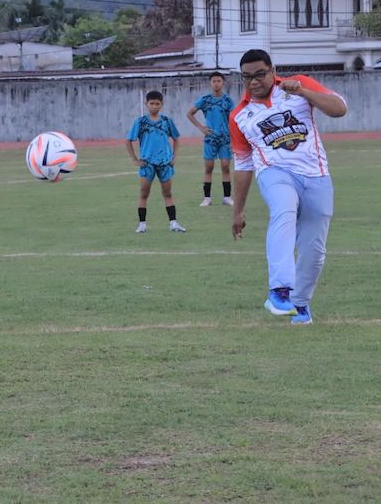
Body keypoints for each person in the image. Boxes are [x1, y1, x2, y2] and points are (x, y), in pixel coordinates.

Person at [229, 49, 347, 325]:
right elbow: (244, 164)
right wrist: (238, 210)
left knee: (314, 251)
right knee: (283, 209)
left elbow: (339, 108)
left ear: (272, 70)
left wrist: (304, 92)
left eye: (259, 74)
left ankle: (300, 304)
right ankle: (279, 289)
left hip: (316, 176)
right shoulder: (239, 115)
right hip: (274, 173)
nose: (254, 82)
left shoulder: (297, 84)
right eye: (247, 77)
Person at [126, 90, 186, 234]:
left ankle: (173, 223)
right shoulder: (141, 122)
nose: (154, 106)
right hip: (147, 163)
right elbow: (128, 140)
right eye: (151, 103)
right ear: (146, 104)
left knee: (168, 193)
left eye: (157, 103)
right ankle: (142, 224)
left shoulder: (166, 121)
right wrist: (135, 159)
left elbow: (176, 138)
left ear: (162, 104)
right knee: (144, 193)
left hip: (164, 163)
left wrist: (174, 157)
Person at [187, 72, 235, 206]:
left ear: (223, 83)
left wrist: (233, 138)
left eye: (219, 81)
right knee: (209, 168)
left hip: (225, 139)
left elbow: (233, 120)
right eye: (214, 81)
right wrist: (201, 127)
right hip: (210, 139)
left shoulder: (228, 101)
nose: (216, 83)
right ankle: (207, 198)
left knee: (226, 167)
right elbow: (189, 113)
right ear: (210, 83)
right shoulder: (205, 100)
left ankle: (227, 197)